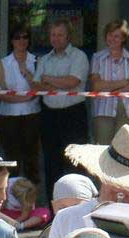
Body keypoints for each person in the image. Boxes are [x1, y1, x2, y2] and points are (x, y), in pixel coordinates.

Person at [35, 19, 90, 200]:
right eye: (53, 35)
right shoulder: (44, 59)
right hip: (49, 115)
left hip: (73, 115)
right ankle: (54, 210)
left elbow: (73, 82)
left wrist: (49, 79)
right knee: (52, 163)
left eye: (60, 35)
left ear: (68, 37)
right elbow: (37, 85)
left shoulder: (79, 56)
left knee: (75, 162)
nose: (56, 39)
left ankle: (80, 206)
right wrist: (59, 82)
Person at [0, 26, 40, 188]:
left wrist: (27, 73)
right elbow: (1, 92)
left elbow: (39, 87)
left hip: (32, 115)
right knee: (11, 160)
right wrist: (26, 97)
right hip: (9, 116)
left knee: (31, 159)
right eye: (17, 37)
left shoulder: (36, 61)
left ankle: (32, 199)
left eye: (25, 37)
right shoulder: (3, 63)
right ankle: (10, 200)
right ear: (12, 41)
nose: (21, 41)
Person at [90, 20, 129, 146]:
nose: (112, 39)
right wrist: (125, 82)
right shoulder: (97, 58)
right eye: (109, 35)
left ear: (123, 38)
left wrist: (113, 90)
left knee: (126, 148)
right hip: (104, 108)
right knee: (103, 148)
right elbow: (97, 86)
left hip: (128, 109)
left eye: (116, 36)